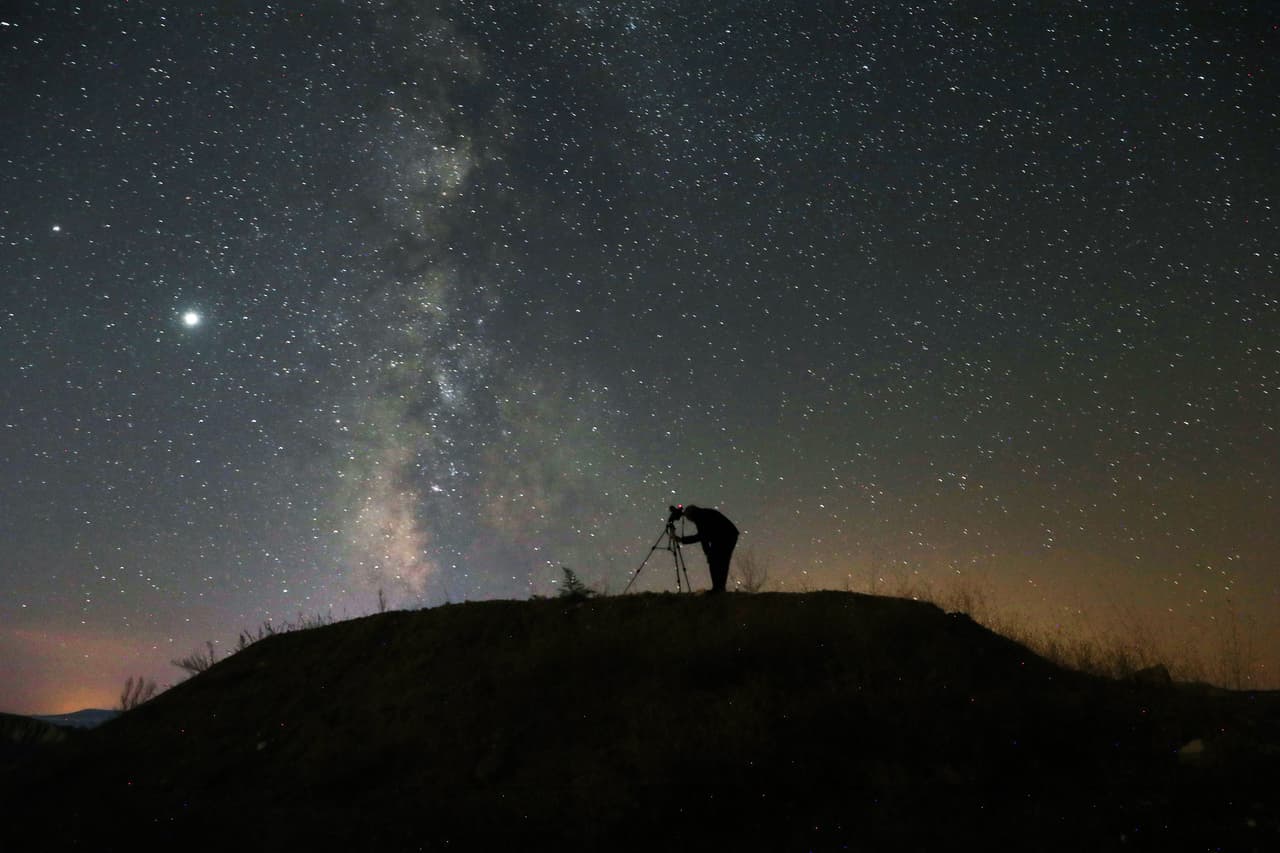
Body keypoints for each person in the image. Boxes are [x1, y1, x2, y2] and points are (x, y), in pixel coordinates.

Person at [673, 504, 739, 593]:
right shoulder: (702, 514)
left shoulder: (700, 517)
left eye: (688, 517)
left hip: (726, 537)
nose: (689, 520)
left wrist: (682, 540)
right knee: (719, 561)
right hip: (724, 536)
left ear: (692, 514)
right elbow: (704, 537)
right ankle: (718, 588)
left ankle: (718, 589)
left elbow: (701, 537)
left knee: (720, 561)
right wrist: (708, 553)